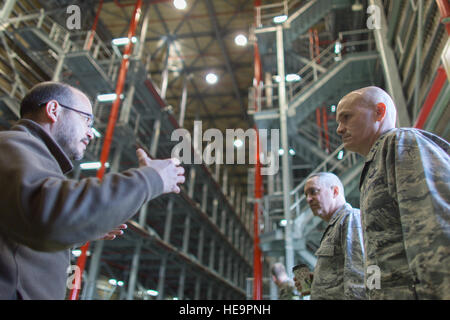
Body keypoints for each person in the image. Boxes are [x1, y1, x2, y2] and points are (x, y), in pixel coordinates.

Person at [0, 82, 185, 299]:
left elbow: (27, 229)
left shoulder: (30, 156)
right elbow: (47, 215)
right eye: (86, 119)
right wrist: (151, 179)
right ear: (53, 110)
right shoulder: (14, 145)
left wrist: (82, 224)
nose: (91, 133)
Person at [336, 86, 450, 299]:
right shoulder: (374, 166)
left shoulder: (400, 144)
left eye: (347, 117)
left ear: (379, 112)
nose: (339, 129)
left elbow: (435, 226)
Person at [294, 172, 366, 299]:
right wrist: (317, 281)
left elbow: (359, 276)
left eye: (313, 191)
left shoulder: (350, 219)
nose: (308, 199)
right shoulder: (335, 226)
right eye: (306, 194)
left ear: (335, 191)